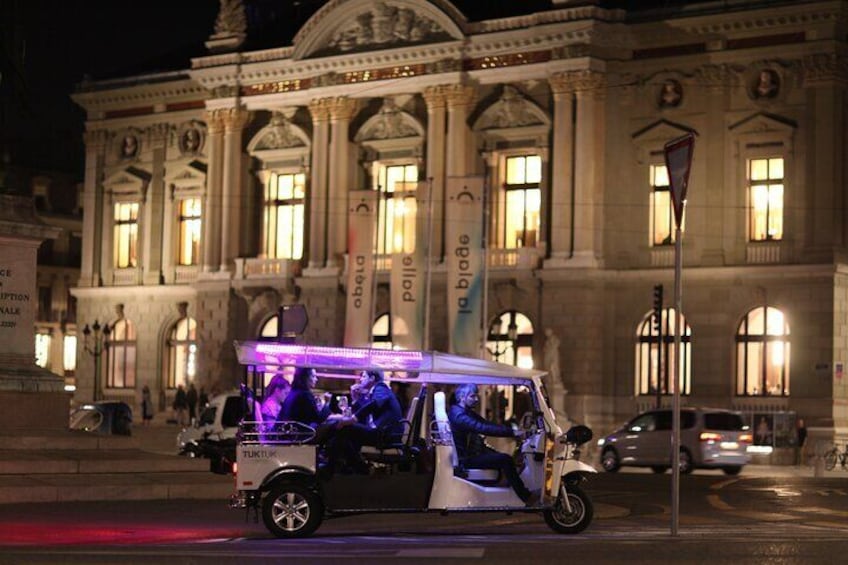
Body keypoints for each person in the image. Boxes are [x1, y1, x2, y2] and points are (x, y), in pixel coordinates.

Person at [448, 383, 536, 505]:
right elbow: (481, 427)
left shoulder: (463, 411)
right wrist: (512, 432)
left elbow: (486, 424)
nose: (477, 399)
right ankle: (526, 497)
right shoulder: (459, 415)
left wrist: (512, 431)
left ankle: (510, 492)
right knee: (506, 460)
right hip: (467, 459)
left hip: (471, 453)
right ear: (462, 397)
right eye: (473, 396)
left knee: (507, 460)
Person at [328, 369, 403, 473]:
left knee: (344, 429)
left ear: (372, 378)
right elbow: (366, 410)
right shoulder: (376, 391)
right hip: (381, 433)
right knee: (343, 437)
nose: (360, 379)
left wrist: (353, 419)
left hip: (385, 435)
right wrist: (355, 399)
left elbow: (373, 405)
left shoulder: (381, 387)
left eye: (363, 376)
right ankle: (353, 467)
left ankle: (336, 467)